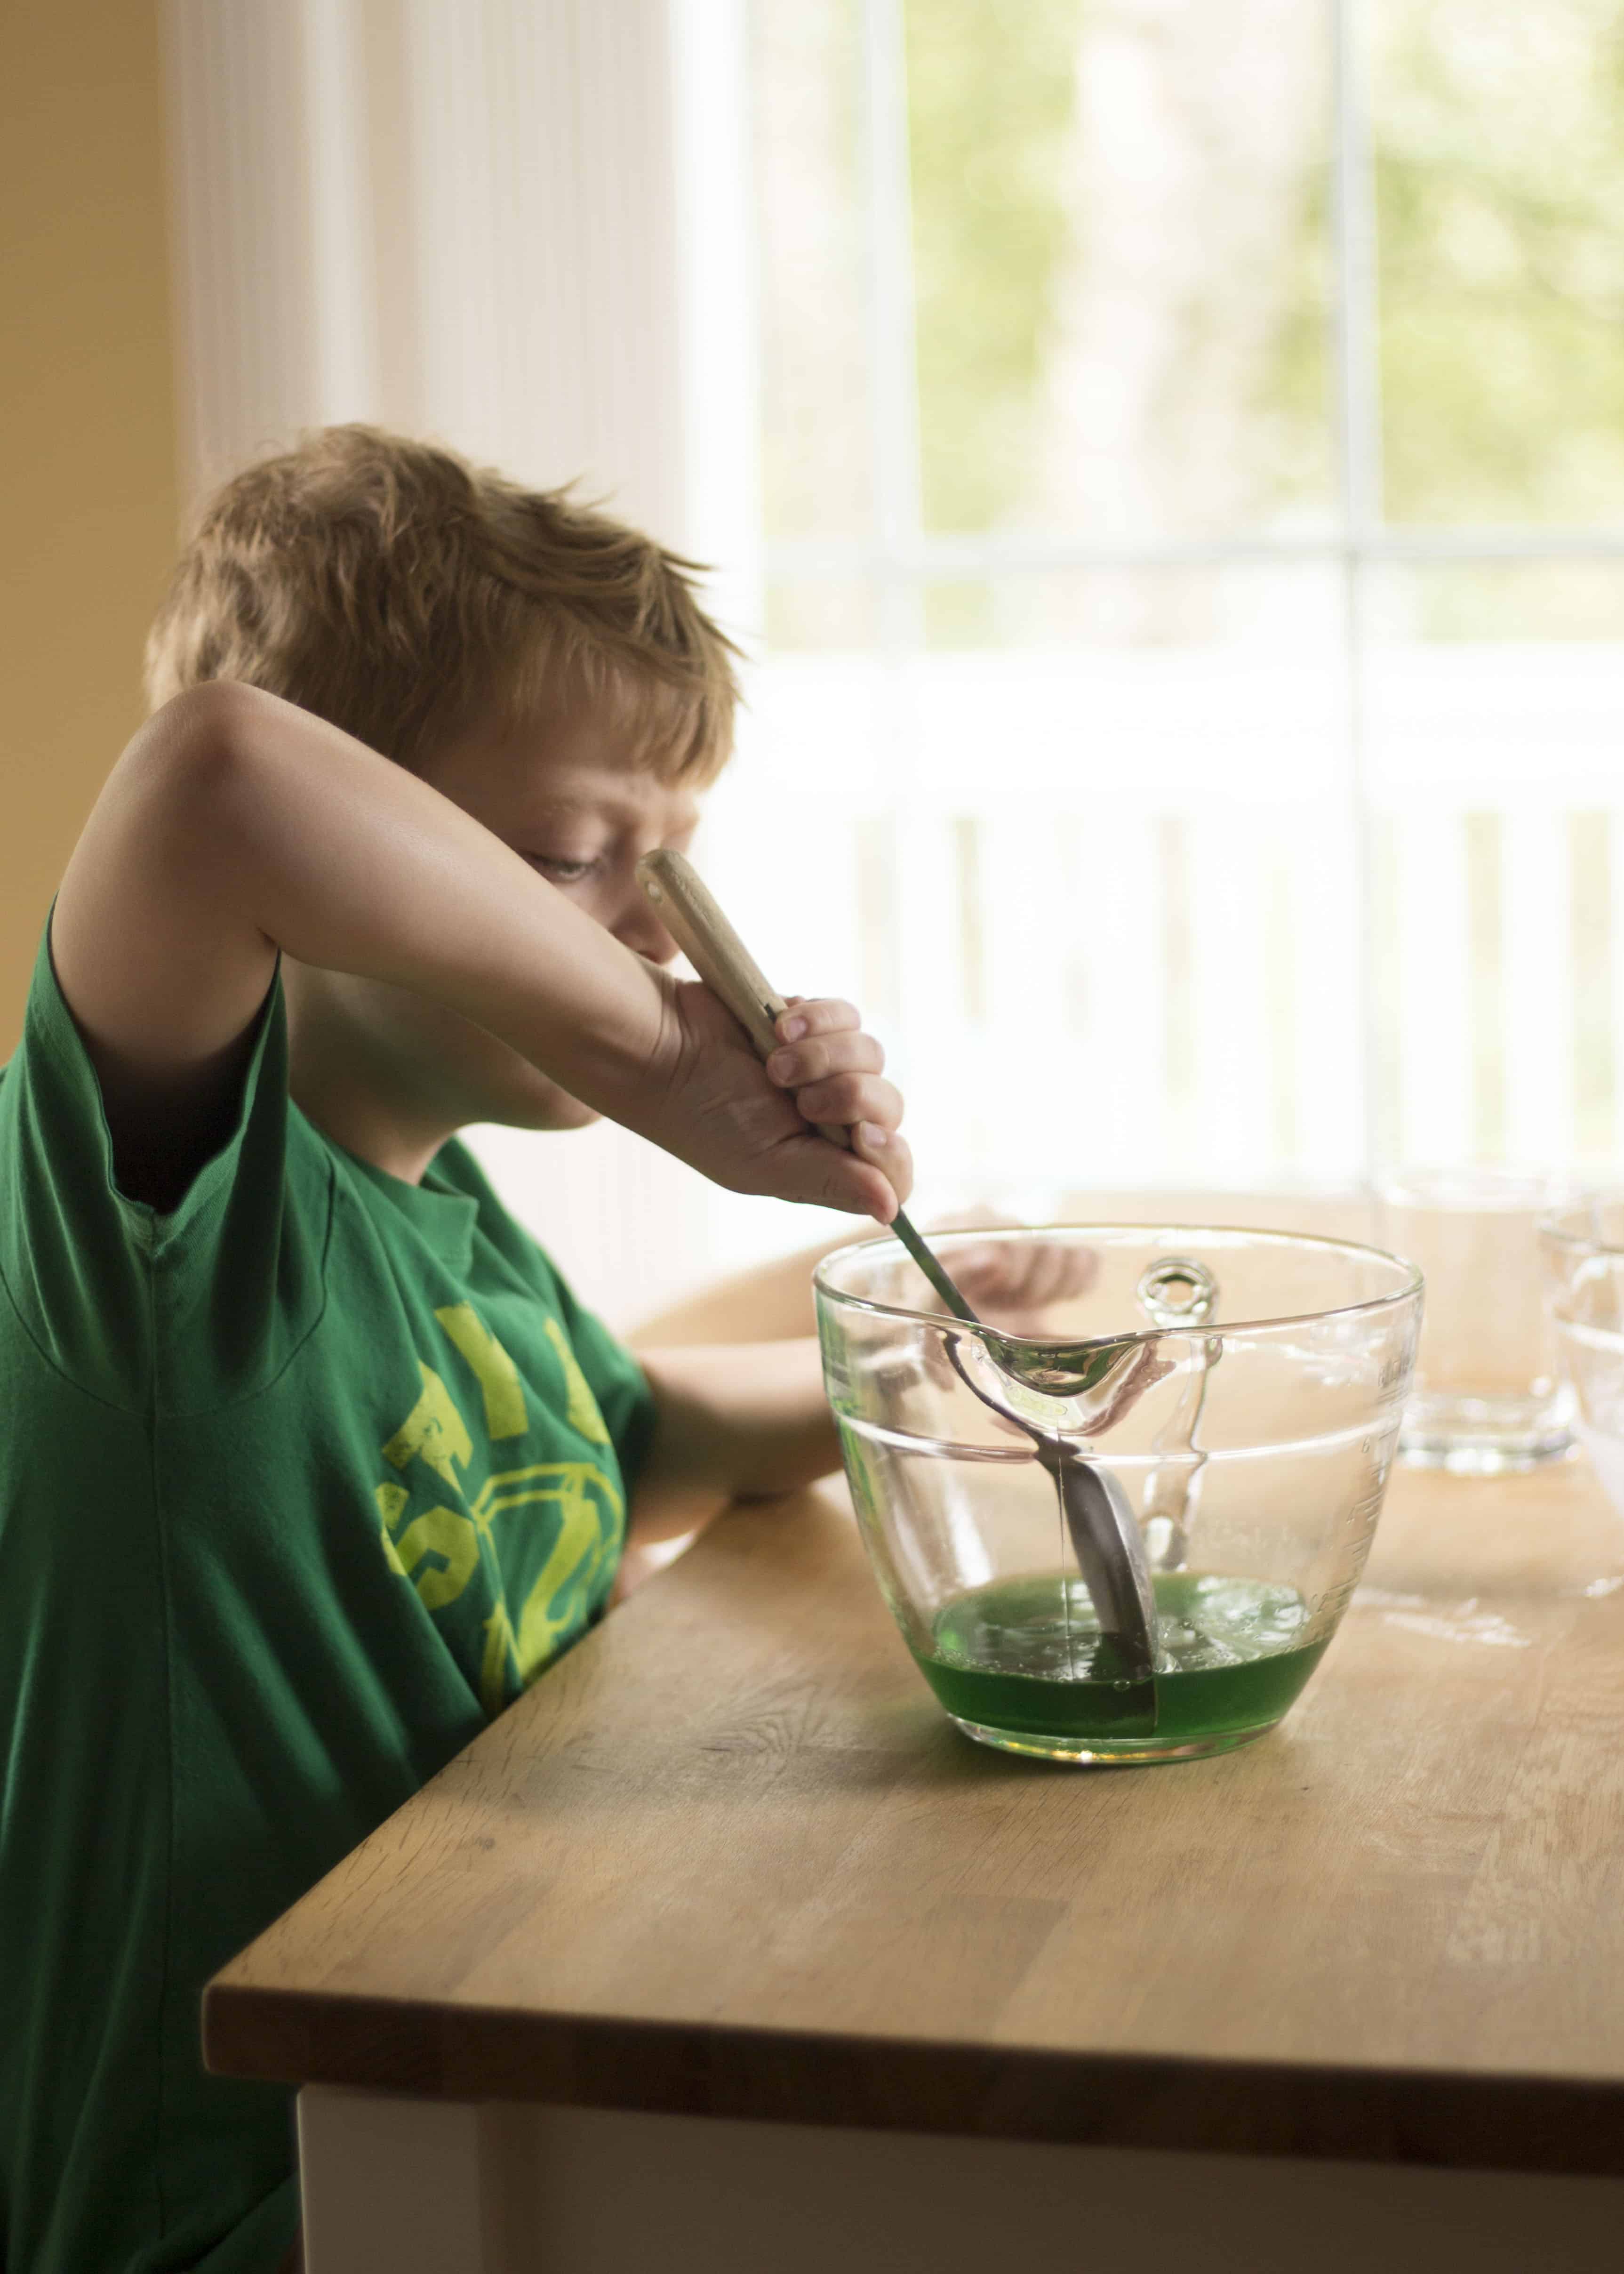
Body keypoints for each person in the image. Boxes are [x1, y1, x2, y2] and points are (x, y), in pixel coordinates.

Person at [0, 427, 1068, 2273]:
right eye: (575, 855)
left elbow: (626, 1438)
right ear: (372, 862)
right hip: (284, 2208)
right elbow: (217, 776)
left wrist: (936, 1358)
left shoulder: (451, 1218)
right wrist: (657, 1060)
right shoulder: (162, 1234)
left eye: (676, 862)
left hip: (503, 2108)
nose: (658, 932)